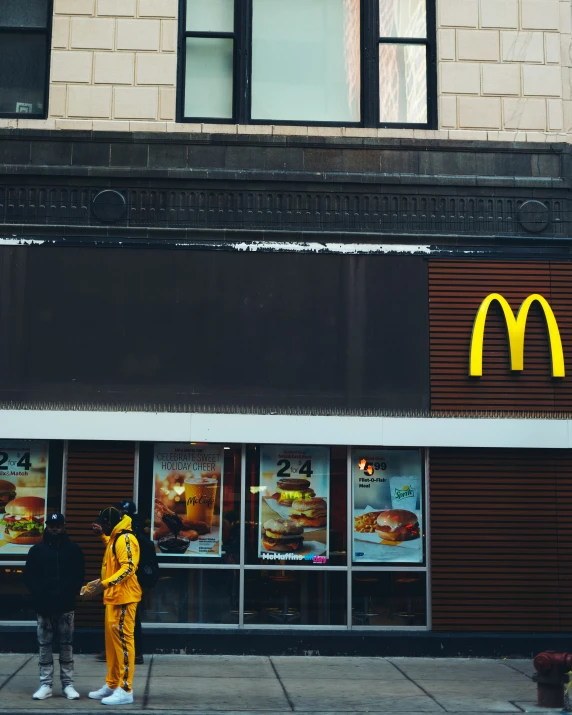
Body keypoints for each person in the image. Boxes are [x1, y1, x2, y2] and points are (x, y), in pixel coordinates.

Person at [24, 512, 85, 701]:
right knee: (44, 646)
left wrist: (71, 591)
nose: (55, 529)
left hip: (66, 606)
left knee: (66, 646)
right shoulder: (36, 550)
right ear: (47, 526)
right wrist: (38, 593)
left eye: (58, 526)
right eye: (52, 525)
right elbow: (28, 576)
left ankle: (68, 685)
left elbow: (79, 574)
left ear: (63, 527)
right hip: (43, 606)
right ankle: (46, 684)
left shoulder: (73, 549)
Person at [86, 505, 141, 706]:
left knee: (124, 645)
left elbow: (129, 568)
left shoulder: (126, 538)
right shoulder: (115, 537)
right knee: (112, 646)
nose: (101, 526)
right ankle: (112, 684)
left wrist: (104, 584)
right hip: (114, 598)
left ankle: (125, 689)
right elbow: (111, 545)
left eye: (102, 524)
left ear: (110, 523)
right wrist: (102, 536)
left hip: (124, 599)